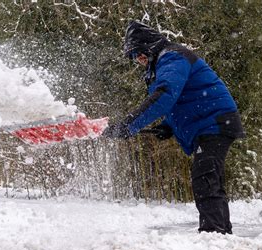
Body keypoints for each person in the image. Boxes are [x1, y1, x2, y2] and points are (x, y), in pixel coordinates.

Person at [103, 21, 246, 234]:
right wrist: (168, 126)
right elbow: (181, 100)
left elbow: (165, 96)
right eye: (133, 57)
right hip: (211, 123)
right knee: (209, 180)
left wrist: (128, 125)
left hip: (215, 123)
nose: (138, 60)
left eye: (139, 53)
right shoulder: (166, 61)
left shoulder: (172, 57)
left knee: (205, 179)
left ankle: (215, 234)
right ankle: (220, 235)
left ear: (149, 46)